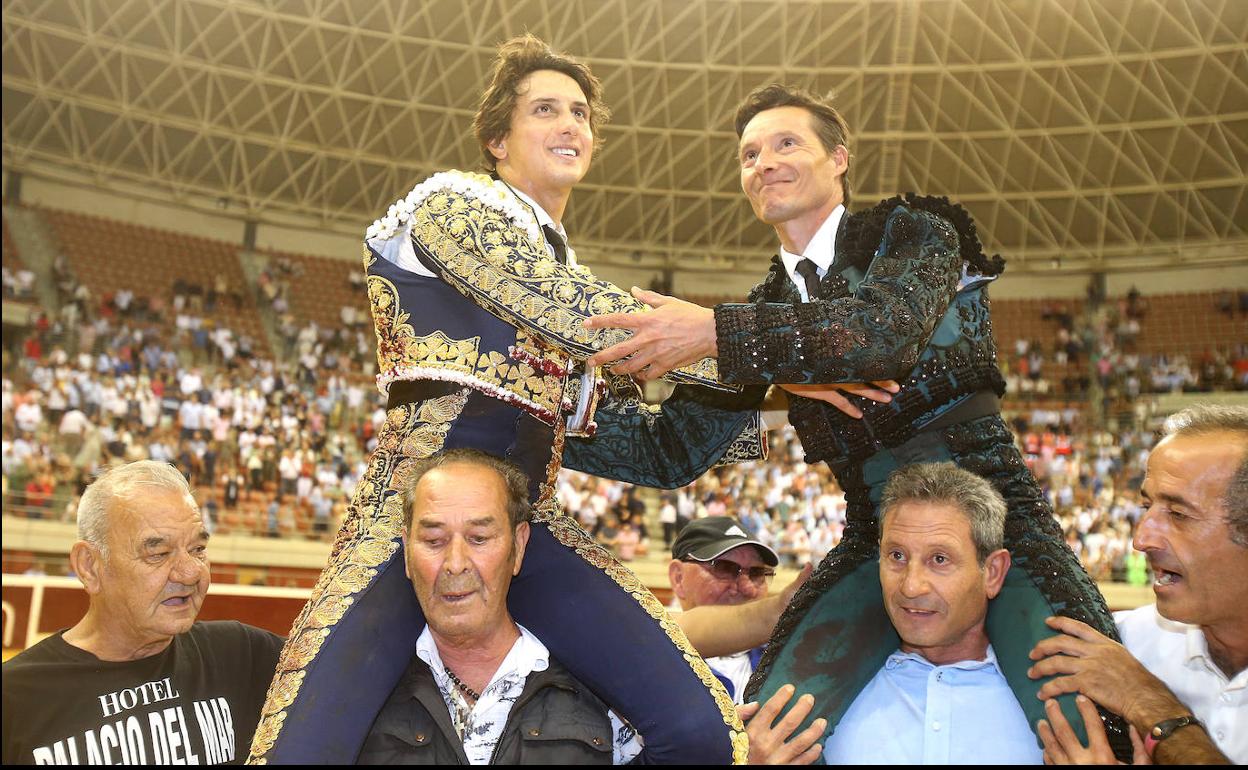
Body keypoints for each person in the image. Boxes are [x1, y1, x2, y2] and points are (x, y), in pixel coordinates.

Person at [253, 35, 819, 765]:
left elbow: (656, 450)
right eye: (545, 109)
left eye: (581, 114)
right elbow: (558, 306)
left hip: (527, 528)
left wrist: (764, 381)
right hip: (415, 524)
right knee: (295, 756)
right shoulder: (451, 206)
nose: (570, 126)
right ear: (497, 139)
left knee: (704, 734)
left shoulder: (563, 275)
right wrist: (765, 349)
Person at [583, 83, 1126, 756]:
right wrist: (549, 407)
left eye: (787, 143)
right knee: (766, 737)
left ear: (839, 158)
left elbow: (882, 333)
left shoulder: (915, 232)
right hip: (879, 549)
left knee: (1098, 731)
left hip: (1003, 532)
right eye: (750, 154)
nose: (765, 163)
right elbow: (668, 450)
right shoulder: (762, 313)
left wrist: (716, 334)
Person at [360, 449, 639, 764]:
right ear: (408, 552)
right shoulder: (357, 694)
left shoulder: (597, 693)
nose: (455, 564)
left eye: (479, 538)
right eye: (434, 540)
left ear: (518, 546)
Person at [2, 460, 283, 765]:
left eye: (198, 549)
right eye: (158, 554)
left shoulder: (244, 656)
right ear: (90, 566)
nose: (191, 573)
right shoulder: (14, 699)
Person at [1029, 405, 1246, 764]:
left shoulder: (1124, 671)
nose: (1141, 538)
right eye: (1146, 506)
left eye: (1178, 514)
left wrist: (1146, 699)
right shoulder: (1115, 647)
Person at [669, 516, 778, 703]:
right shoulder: (645, 652)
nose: (748, 588)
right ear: (679, 578)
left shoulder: (786, 656)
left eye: (757, 573)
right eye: (725, 568)